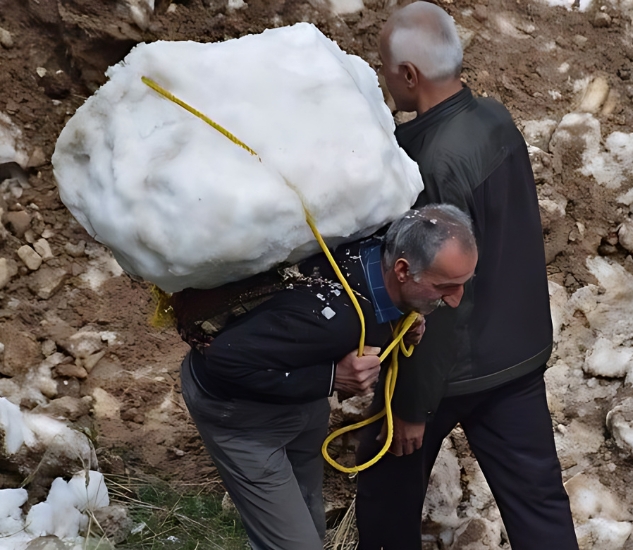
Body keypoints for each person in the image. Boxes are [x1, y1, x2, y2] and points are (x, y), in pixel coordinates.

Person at [355, 3, 578, 549]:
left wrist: (411, 407)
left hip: (454, 371)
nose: (386, 79)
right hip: (518, 357)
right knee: (539, 504)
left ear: (409, 74)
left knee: (384, 492)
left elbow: (439, 298)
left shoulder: (431, 163)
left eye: (386, 68)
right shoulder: (495, 118)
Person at [174, 204, 478, 550]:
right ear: (403, 270)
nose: (456, 300)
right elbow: (223, 362)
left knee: (309, 523)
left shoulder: (373, 254)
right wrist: (333, 377)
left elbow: (361, 315)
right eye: (446, 286)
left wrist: (399, 325)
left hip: (301, 401)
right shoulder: (329, 318)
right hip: (241, 418)